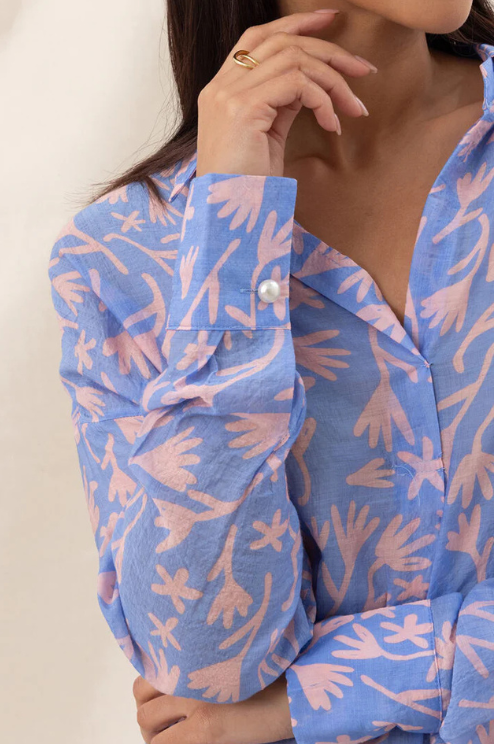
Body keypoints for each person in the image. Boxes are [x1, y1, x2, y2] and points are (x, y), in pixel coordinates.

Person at [47, 2, 494, 743]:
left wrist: (311, 698)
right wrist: (233, 227)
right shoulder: (120, 257)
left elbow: (230, 708)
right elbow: (209, 661)